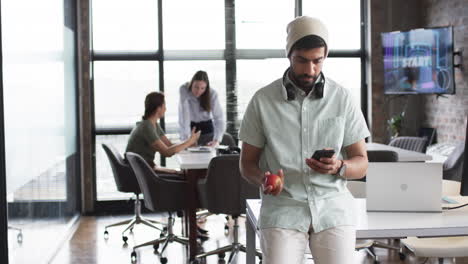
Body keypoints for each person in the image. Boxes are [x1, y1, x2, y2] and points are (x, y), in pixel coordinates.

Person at [239, 16, 370, 264]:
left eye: (317, 61)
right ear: (289, 55)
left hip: (333, 208)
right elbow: (246, 164)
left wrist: (340, 166)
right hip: (283, 208)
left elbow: (361, 162)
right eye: (302, 60)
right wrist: (263, 179)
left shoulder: (343, 98)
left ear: (325, 57)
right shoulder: (262, 101)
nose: (310, 70)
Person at [126, 91, 200, 176]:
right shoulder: (146, 127)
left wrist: (188, 144)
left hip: (144, 168)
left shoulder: (153, 124)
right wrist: (189, 142)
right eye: (164, 106)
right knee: (184, 175)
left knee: (184, 173)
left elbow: (169, 145)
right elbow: (166, 152)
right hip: (139, 172)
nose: (165, 109)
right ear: (158, 108)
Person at [178, 70, 226, 146]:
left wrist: (217, 140)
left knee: (208, 154)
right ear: (191, 83)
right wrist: (187, 139)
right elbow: (184, 115)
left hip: (207, 128)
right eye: (196, 87)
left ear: (206, 87)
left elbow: (219, 118)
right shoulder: (184, 89)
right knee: (189, 154)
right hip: (191, 128)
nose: (198, 91)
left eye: (202, 88)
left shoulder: (212, 94)